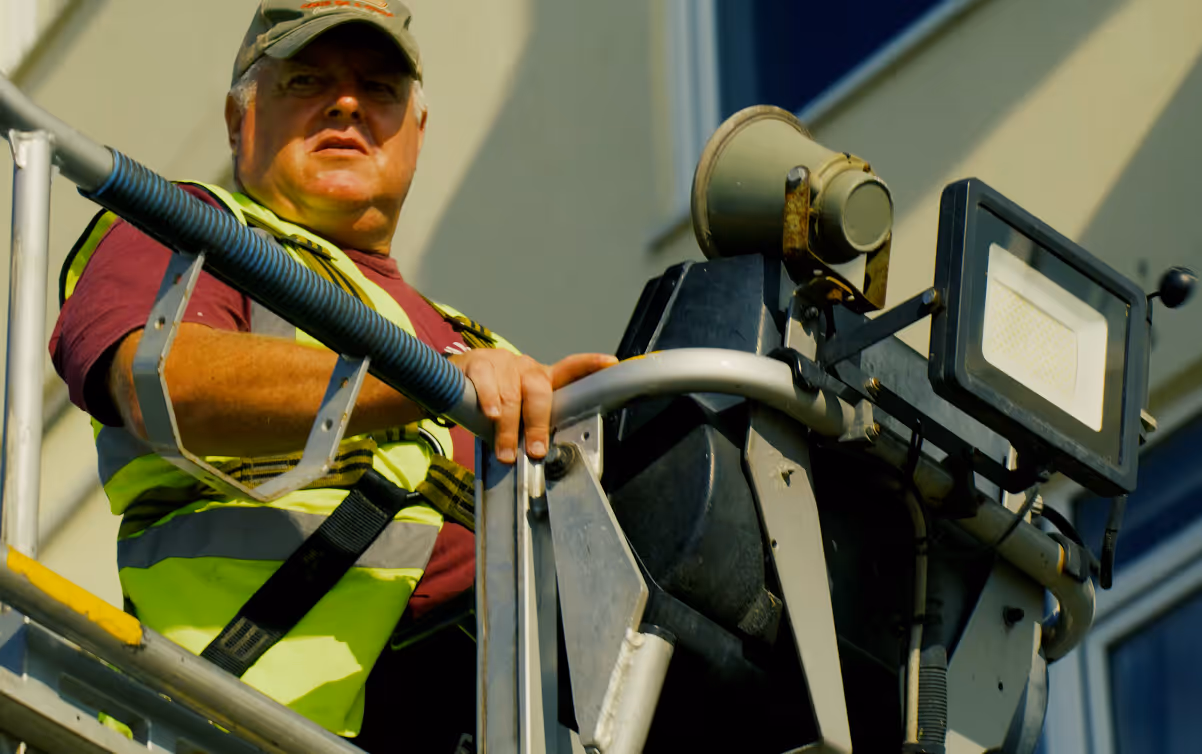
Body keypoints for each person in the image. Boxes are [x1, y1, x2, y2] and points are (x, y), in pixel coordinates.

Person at [49, 2, 615, 751]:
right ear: (236, 120)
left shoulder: (482, 345)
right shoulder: (195, 232)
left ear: (417, 132)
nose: (347, 103)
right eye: (307, 80)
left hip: (482, 709)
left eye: (379, 89)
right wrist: (431, 385)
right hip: (237, 720)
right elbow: (156, 379)